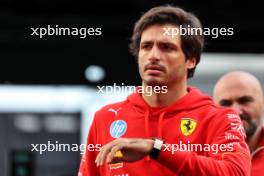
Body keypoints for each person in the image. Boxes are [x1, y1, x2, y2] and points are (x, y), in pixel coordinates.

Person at [78, 6, 250, 176]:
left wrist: (157, 148)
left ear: (191, 60)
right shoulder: (105, 118)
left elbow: (236, 172)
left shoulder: (220, 119)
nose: (153, 55)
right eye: (146, 46)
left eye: (166, 47)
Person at [213, 71, 264, 176]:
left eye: (245, 101)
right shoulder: (198, 154)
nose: (236, 111)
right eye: (225, 103)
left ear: (262, 103)